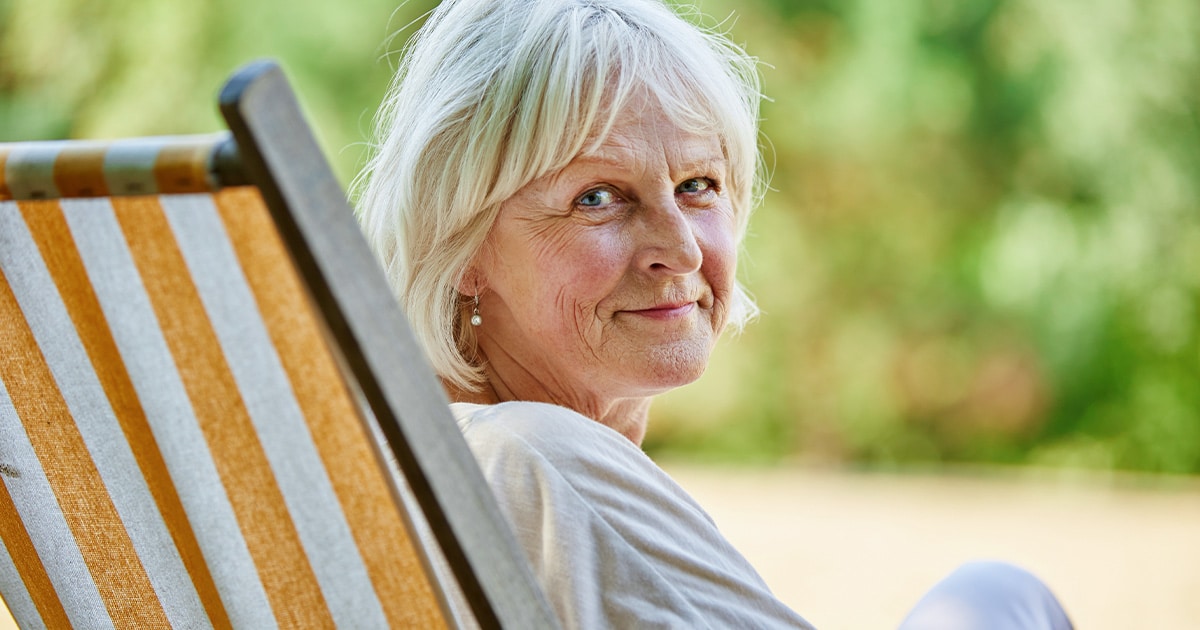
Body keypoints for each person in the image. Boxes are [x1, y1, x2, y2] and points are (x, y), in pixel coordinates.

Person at [355, 0, 1074, 628]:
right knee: (999, 595)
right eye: (597, 197)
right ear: (459, 243)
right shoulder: (530, 457)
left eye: (699, 184)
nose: (681, 249)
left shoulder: (418, 464)